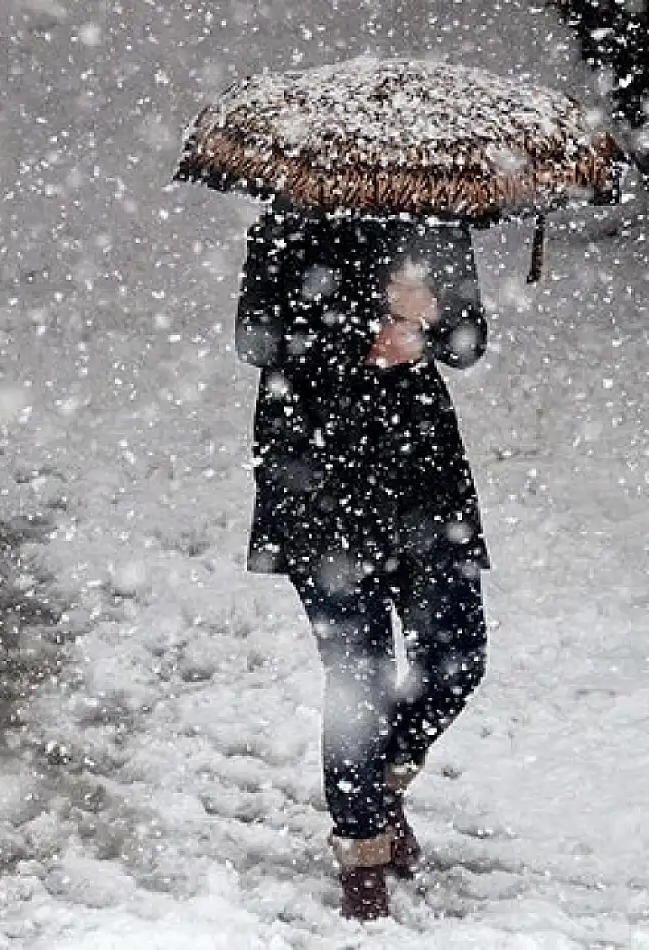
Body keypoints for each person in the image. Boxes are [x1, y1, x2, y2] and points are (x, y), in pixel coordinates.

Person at [235, 200, 490, 921]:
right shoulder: (288, 225)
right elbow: (257, 340)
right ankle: (361, 855)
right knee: (360, 676)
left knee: (457, 654)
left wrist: (430, 321)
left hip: (422, 476)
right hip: (317, 474)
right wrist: (367, 327)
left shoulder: (436, 220)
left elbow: (469, 343)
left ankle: (375, 786)